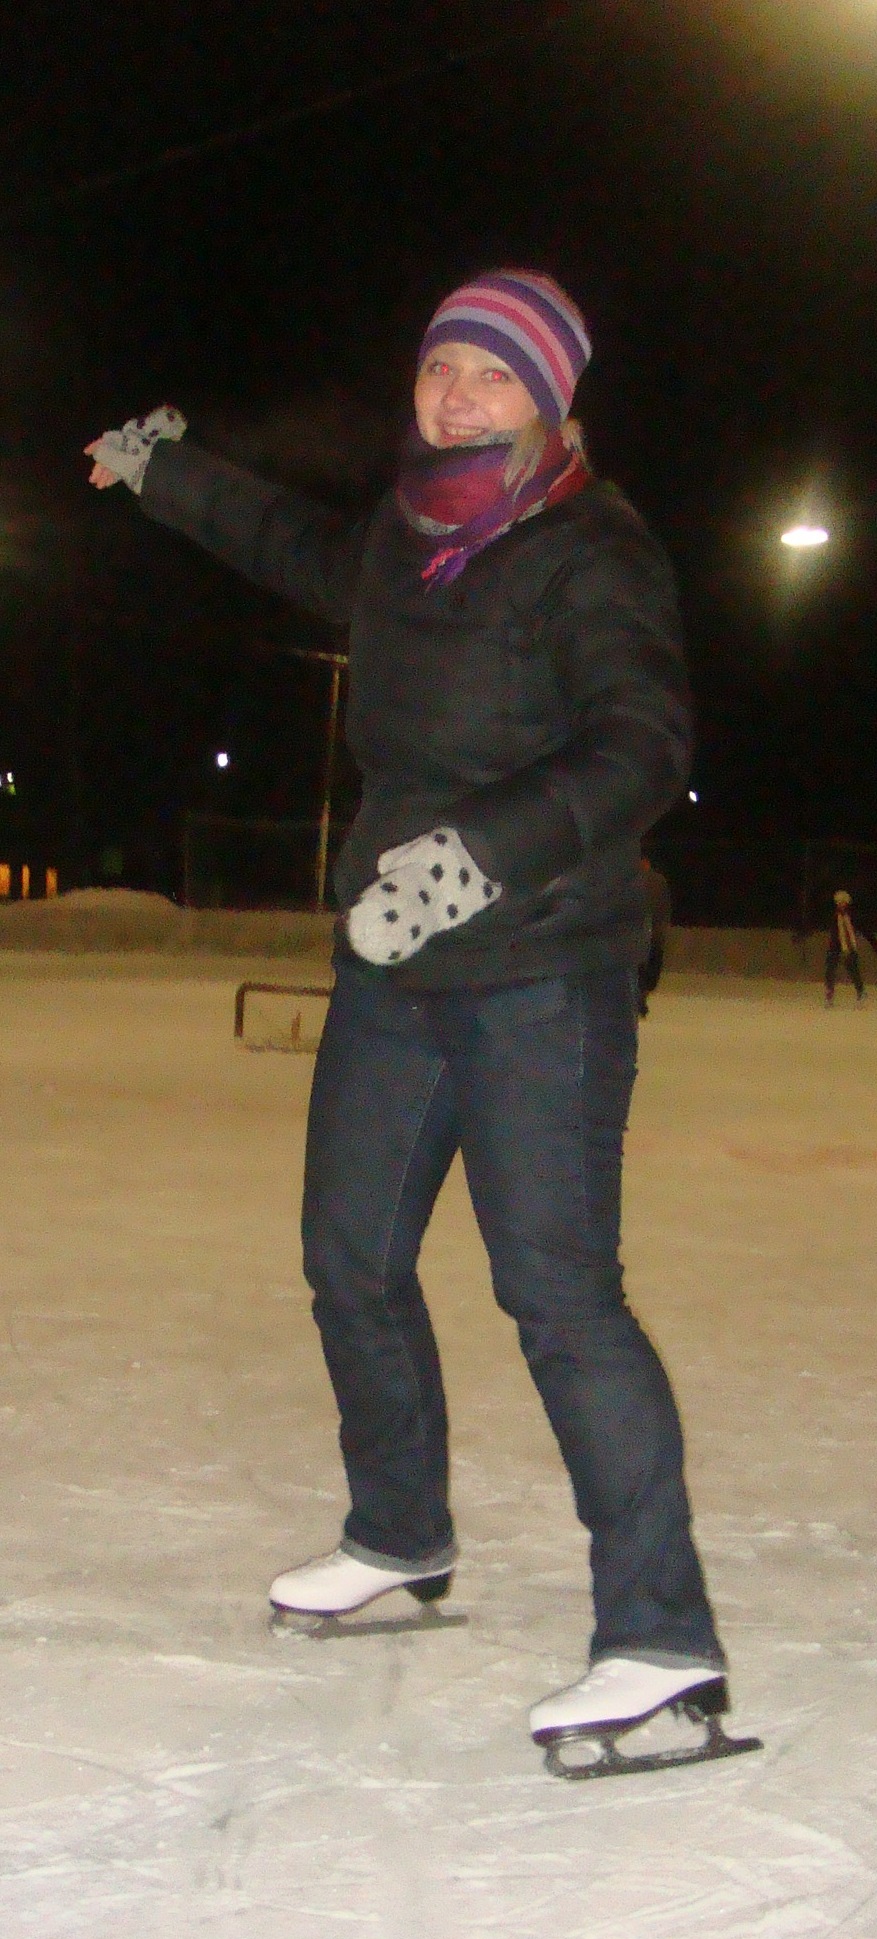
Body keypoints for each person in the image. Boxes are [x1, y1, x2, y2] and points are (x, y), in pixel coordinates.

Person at [85, 271, 747, 1778]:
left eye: (490, 374)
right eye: (441, 364)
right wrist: (169, 471)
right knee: (351, 1259)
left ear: (549, 399)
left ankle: (661, 1642)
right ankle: (399, 1533)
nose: (455, 394)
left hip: (540, 969)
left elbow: (640, 744)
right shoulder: (402, 536)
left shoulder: (592, 550)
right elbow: (293, 544)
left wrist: (477, 858)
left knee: (558, 1296)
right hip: (394, 966)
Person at [824, 889, 877, 1006]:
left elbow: (866, 932)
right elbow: (833, 932)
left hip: (850, 945)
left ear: (847, 903)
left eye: (843, 902)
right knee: (830, 967)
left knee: (852, 968)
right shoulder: (834, 916)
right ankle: (829, 992)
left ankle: (860, 991)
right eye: (839, 903)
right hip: (835, 946)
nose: (841, 905)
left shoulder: (854, 917)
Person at [637, 854, 672, 1016]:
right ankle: (640, 998)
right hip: (653, 934)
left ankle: (639, 998)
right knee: (650, 970)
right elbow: (664, 907)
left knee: (642, 970)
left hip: (643, 934)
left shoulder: (633, 881)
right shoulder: (658, 881)